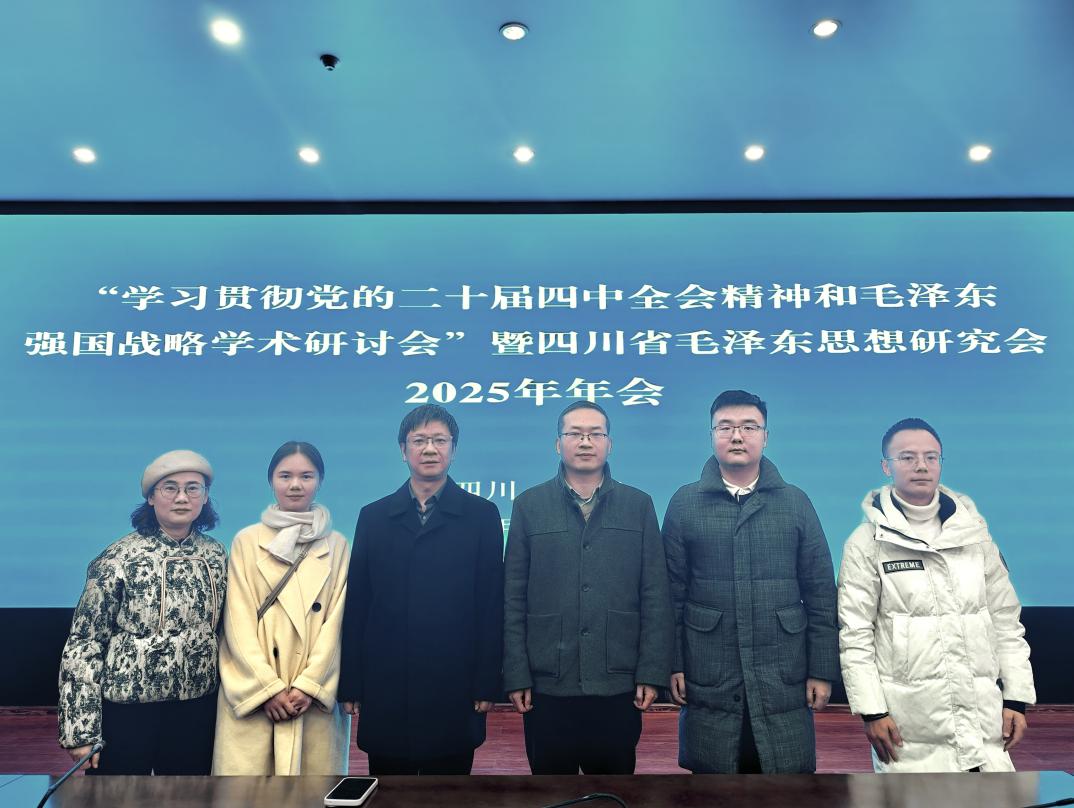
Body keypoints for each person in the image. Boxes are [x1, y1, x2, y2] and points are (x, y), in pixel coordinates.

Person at [838, 418, 1035, 772]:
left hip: (983, 723)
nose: (921, 466)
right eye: (907, 457)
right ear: (886, 466)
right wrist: (872, 711)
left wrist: (1016, 698)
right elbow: (856, 634)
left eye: (931, 457)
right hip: (908, 731)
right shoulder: (866, 543)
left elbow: (1006, 622)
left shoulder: (976, 536)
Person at [662, 390, 839, 773]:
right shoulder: (685, 503)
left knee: (784, 786)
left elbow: (822, 593)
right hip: (709, 668)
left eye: (749, 427)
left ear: (765, 436)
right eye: (725, 427)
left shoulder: (795, 502)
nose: (737, 436)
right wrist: (673, 663)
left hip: (783, 672)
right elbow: (671, 595)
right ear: (712, 435)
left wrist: (822, 670)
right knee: (712, 787)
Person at [503, 401, 673, 775]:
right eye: (575, 433)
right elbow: (513, 597)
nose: (585, 442)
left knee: (613, 791)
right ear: (557, 443)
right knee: (551, 792)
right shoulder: (529, 505)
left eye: (595, 433)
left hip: (617, 682)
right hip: (547, 684)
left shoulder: (638, 505)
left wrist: (651, 671)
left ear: (609, 444)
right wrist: (516, 673)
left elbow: (655, 595)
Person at [338, 405, 504, 775]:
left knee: (448, 791)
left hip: (455, 680)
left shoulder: (481, 515)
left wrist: (487, 682)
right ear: (403, 449)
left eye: (439, 440)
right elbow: (359, 604)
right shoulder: (374, 517)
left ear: (454, 449)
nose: (430, 449)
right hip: (387, 681)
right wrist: (351, 682)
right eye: (419, 441)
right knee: (389, 791)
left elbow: (491, 604)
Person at [58, 449, 227, 774]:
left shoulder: (216, 555)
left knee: (188, 795)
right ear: (151, 497)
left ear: (205, 497)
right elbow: (84, 643)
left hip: (195, 710)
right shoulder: (118, 558)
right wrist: (81, 730)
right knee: (119, 795)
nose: (182, 497)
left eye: (193, 488)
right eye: (170, 488)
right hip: (127, 710)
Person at [213, 441, 351, 775]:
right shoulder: (247, 541)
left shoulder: (337, 545)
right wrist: (267, 689)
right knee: (247, 794)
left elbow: (337, 622)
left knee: (313, 792)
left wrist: (309, 685)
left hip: (311, 698)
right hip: (256, 695)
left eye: (306, 476)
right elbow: (237, 622)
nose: (295, 485)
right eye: (285, 475)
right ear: (271, 480)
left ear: (320, 481)